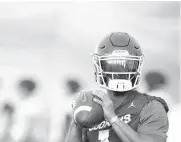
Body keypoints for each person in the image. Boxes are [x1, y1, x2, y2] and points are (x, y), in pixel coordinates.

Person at [66, 32, 169, 142]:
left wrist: (113, 119)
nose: (120, 71)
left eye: (127, 64)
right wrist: (76, 122)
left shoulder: (151, 106)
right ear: (99, 66)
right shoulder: (92, 105)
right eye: (112, 64)